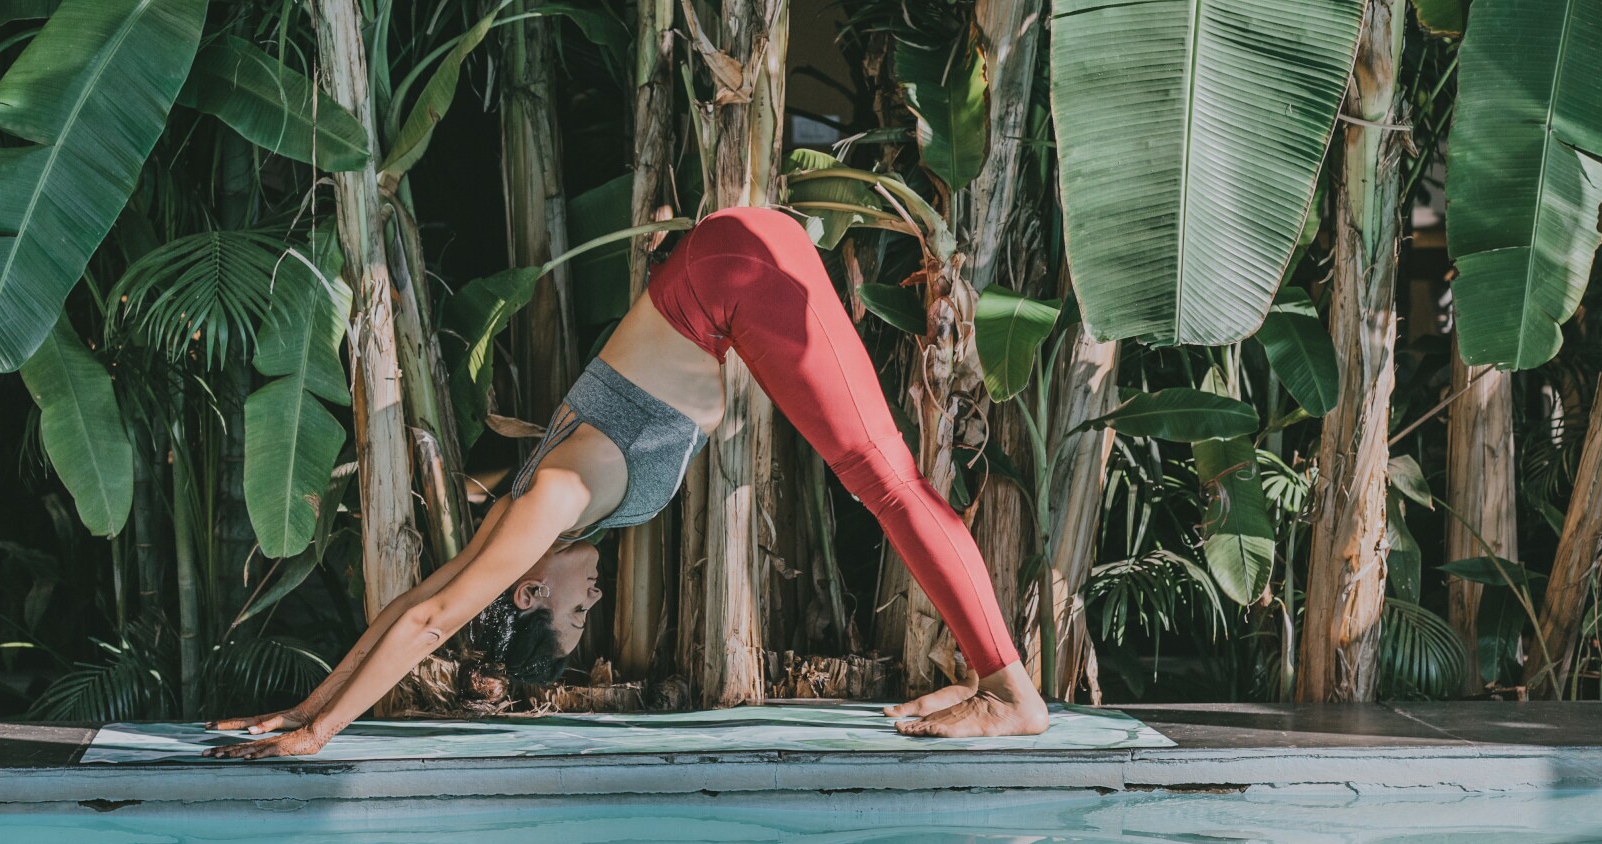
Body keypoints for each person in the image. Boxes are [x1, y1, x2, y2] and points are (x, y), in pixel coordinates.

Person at [205, 205, 1050, 758]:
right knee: (883, 476)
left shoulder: (554, 501)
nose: (595, 595)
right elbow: (418, 599)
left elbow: (430, 620)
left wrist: (318, 733)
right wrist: (303, 703)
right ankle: (990, 678)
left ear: (530, 591)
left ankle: (1011, 691)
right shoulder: (540, 516)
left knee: (884, 479)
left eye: (574, 608)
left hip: (734, 273)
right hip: (731, 263)